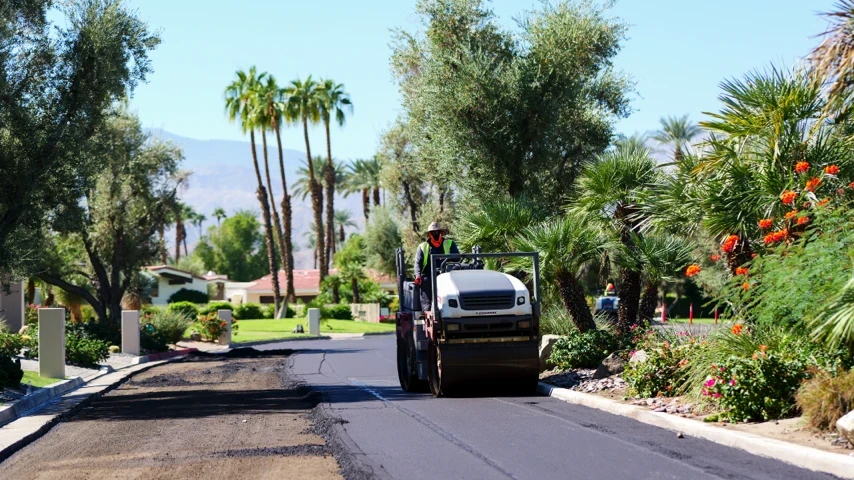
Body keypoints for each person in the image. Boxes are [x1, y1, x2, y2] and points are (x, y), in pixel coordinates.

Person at [414, 221, 459, 312]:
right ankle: (427, 309)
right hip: (429, 274)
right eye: (433, 232)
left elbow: (457, 257)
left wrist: (447, 258)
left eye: (437, 232)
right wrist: (418, 275)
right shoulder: (423, 247)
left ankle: (451, 307)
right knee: (424, 280)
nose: (435, 234)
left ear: (441, 233)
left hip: (446, 274)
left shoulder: (450, 243)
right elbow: (417, 263)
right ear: (429, 234)